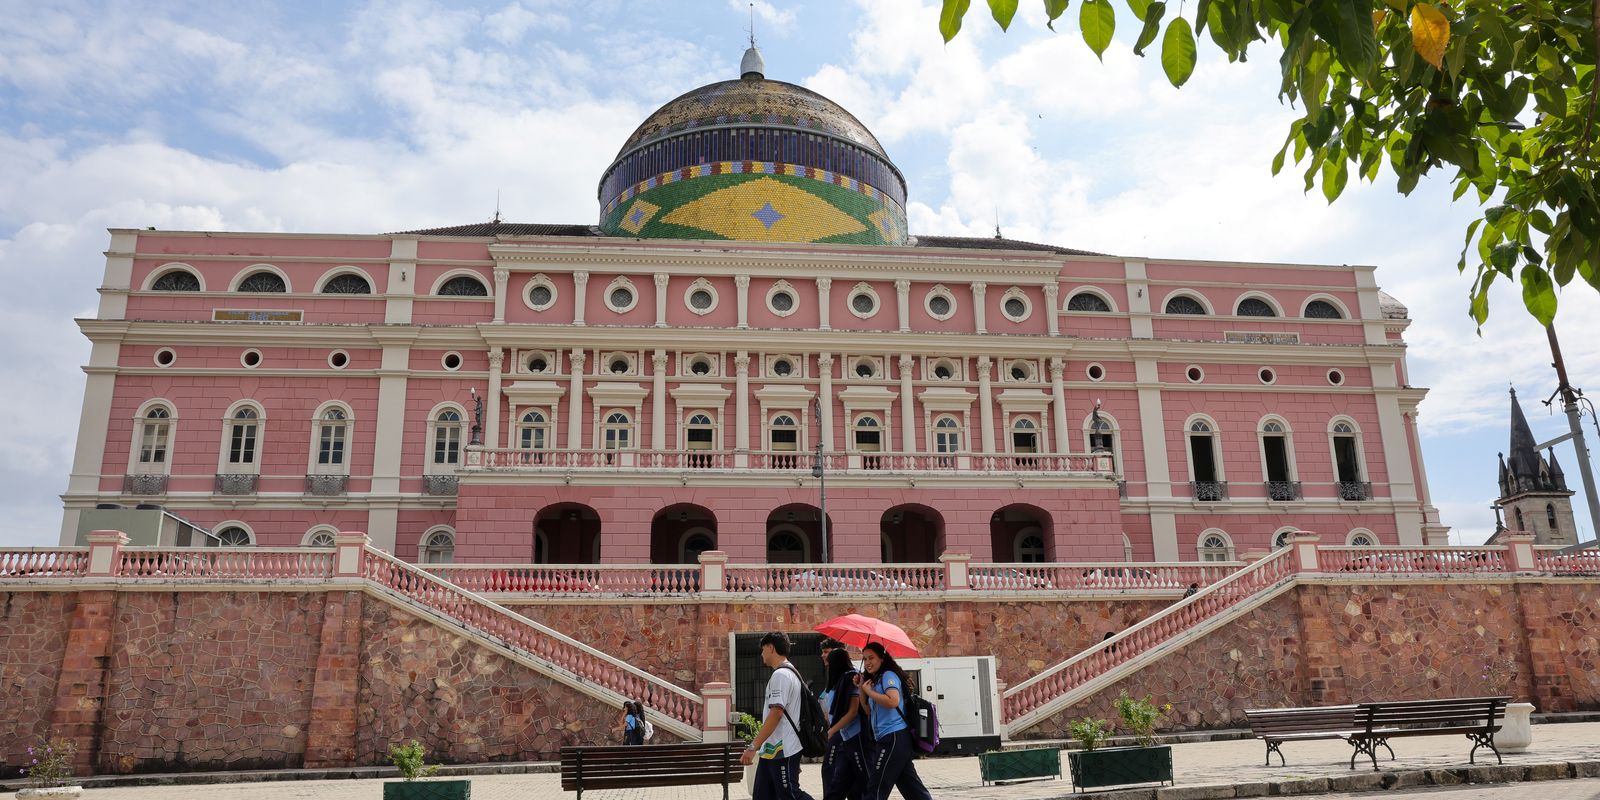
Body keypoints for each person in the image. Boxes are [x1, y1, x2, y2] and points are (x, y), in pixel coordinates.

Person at [740, 632, 816, 800]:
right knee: (762, 795)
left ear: (771, 648)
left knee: (790, 794)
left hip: (782, 749)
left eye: (762, 649)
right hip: (772, 750)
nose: (761, 654)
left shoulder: (781, 675)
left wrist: (753, 747)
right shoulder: (790, 672)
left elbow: (776, 713)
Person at [855, 641, 932, 800]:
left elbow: (893, 701)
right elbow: (867, 710)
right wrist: (862, 688)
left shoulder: (888, 676)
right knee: (912, 789)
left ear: (882, 659)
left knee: (876, 786)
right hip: (888, 739)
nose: (868, 662)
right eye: (865, 659)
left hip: (894, 737)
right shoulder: (875, 681)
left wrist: (869, 691)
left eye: (872, 658)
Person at [821, 647, 867, 800]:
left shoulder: (851, 678)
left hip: (855, 737)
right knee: (837, 780)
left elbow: (853, 712)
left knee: (863, 780)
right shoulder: (842, 679)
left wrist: (832, 730)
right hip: (846, 738)